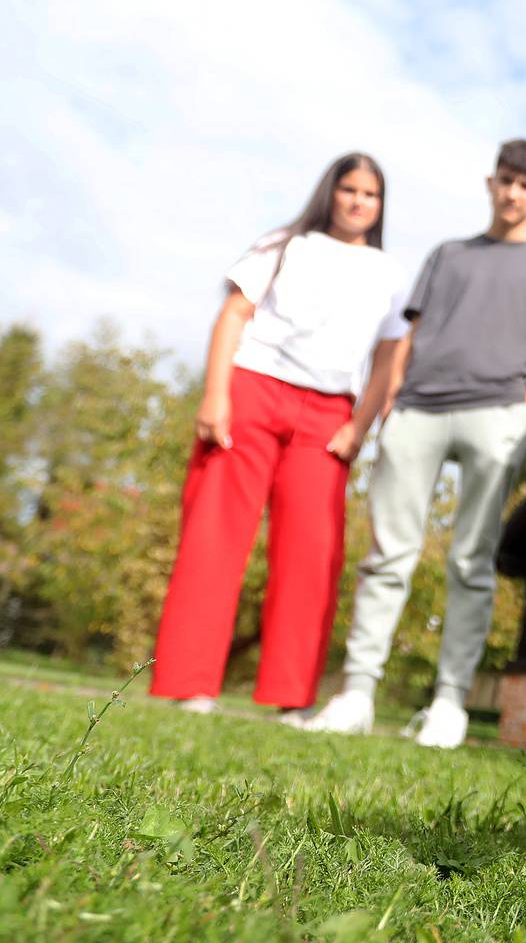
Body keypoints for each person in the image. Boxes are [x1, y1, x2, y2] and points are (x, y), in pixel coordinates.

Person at [306, 140, 526, 748]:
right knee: (387, 557)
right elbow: (409, 334)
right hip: (419, 410)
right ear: (491, 182)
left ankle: (449, 704)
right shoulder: (447, 254)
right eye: (506, 180)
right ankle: (357, 694)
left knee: (471, 562)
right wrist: (393, 403)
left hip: (494, 416)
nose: (513, 193)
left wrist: (521, 416)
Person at [151, 153, 408, 718]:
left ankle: (291, 699)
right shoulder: (285, 244)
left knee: (312, 553)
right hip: (253, 391)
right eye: (349, 189)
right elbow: (233, 314)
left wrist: (358, 427)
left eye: (370, 194)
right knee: (216, 535)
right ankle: (189, 684)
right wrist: (215, 395)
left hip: (328, 416)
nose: (358, 201)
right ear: (331, 192)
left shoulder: (390, 274)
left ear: (381, 205)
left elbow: (391, 358)